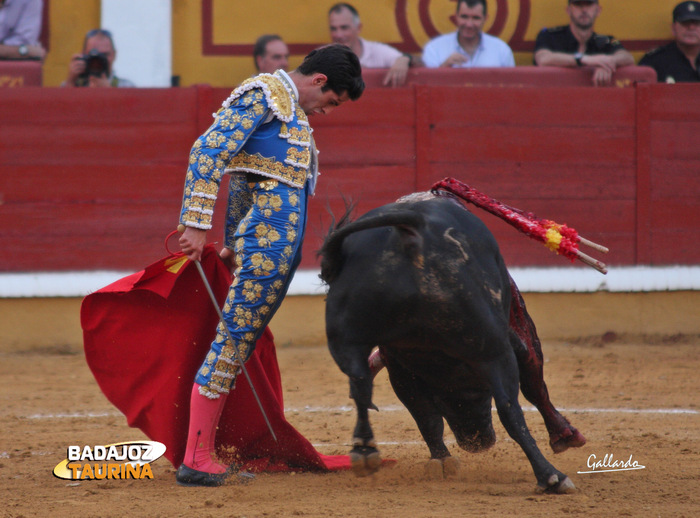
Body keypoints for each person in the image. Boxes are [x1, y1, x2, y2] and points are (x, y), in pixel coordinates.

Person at [175, 43, 364, 487]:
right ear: (319, 81)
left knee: (238, 340)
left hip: (266, 251)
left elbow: (245, 176)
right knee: (234, 339)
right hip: (265, 252)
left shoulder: (289, 111)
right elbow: (207, 152)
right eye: (332, 101)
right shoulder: (261, 95)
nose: (328, 111)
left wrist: (232, 242)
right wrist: (196, 225)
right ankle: (196, 457)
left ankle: (200, 452)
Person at [534, 0, 634, 87]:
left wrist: (607, 62)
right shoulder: (549, 35)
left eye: (589, 4)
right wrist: (585, 59)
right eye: (578, 5)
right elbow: (543, 58)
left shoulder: (606, 39)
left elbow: (628, 57)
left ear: (598, 10)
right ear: (568, 10)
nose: (584, 10)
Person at [328, 2, 419, 87]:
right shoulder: (323, 56)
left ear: (358, 28)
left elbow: (422, 63)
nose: (338, 34)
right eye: (333, 29)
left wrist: (405, 58)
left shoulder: (377, 51)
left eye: (344, 28)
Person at [421, 0, 514, 68]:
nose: (469, 24)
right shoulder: (434, 48)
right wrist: (444, 69)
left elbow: (511, 89)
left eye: (476, 18)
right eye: (464, 17)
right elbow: (426, 90)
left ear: (485, 19)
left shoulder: (501, 50)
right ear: (456, 16)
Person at [638, 1, 700, 83]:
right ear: (673, 28)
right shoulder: (655, 61)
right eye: (685, 23)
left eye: (697, 23)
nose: (691, 28)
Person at [61, 28, 134, 87]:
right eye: (92, 54)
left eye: (104, 55)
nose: (98, 60)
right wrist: (71, 82)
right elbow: (61, 104)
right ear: (83, 55)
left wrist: (109, 92)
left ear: (113, 55)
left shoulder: (126, 87)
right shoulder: (73, 85)